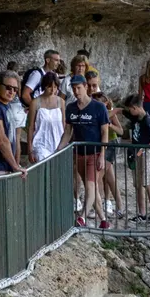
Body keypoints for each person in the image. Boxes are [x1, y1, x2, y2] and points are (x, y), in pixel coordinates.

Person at [66, 79, 109, 224]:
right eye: (73, 88)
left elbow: (104, 132)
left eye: (78, 88)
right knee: (91, 187)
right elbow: (68, 132)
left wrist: (102, 154)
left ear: (85, 87)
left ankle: (82, 216)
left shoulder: (99, 107)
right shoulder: (71, 108)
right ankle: (103, 220)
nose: (76, 91)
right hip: (79, 153)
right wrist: (59, 149)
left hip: (95, 152)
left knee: (91, 185)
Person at [122, 94, 150, 223]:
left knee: (148, 181)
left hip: (146, 153)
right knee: (138, 183)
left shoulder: (147, 120)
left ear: (135, 107)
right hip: (137, 152)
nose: (130, 112)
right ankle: (142, 213)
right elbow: (120, 111)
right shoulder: (135, 118)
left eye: (131, 109)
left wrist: (142, 150)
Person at [28, 73, 67, 163]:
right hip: (41, 143)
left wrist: (65, 143)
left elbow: (64, 124)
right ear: (44, 86)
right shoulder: (35, 102)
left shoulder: (61, 102)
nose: (52, 90)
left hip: (58, 142)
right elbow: (31, 127)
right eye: (49, 87)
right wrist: (30, 149)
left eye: (55, 87)